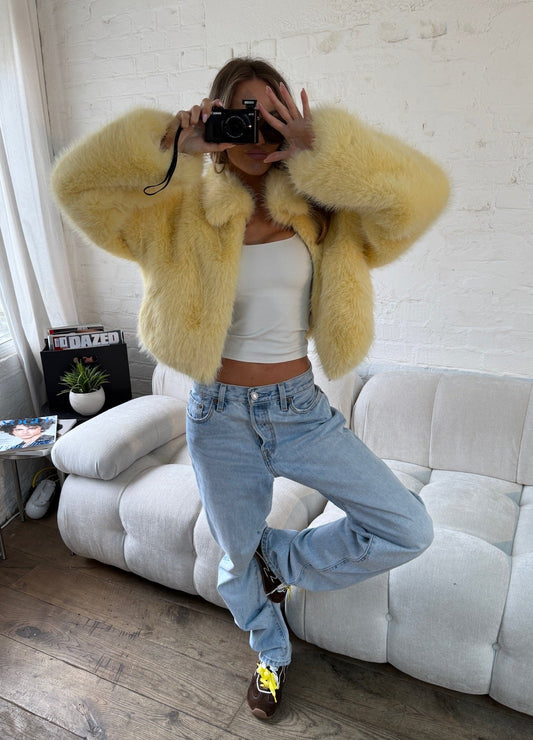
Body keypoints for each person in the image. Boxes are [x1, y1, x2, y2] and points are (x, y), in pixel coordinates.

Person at [52, 57, 449, 720]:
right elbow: (74, 188)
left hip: (301, 411)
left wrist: (326, 150)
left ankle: (277, 559)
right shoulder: (177, 210)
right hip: (217, 417)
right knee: (231, 560)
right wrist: (166, 144)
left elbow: (420, 197)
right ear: (215, 122)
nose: (257, 133)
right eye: (241, 116)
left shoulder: (322, 210)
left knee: (406, 527)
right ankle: (270, 651)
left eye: (271, 116)